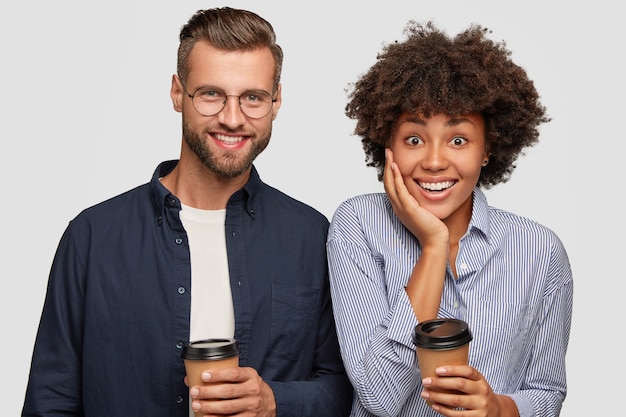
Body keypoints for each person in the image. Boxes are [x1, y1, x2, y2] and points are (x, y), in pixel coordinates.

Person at [22, 7, 352, 417]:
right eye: (212, 94)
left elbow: (344, 389)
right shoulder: (93, 236)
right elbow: (50, 400)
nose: (232, 119)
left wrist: (274, 401)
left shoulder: (311, 235)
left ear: (276, 100)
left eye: (252, 97)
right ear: (178, 92)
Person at [327, 21, 573, 417]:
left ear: (488, 148)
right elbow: (379, 398)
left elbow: (546, 392)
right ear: (387, 145)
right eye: (414, 139)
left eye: (458, 140)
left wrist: (496, 408)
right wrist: (433, 245)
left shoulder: (540, 252)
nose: (435, 161)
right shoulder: (358, 225)